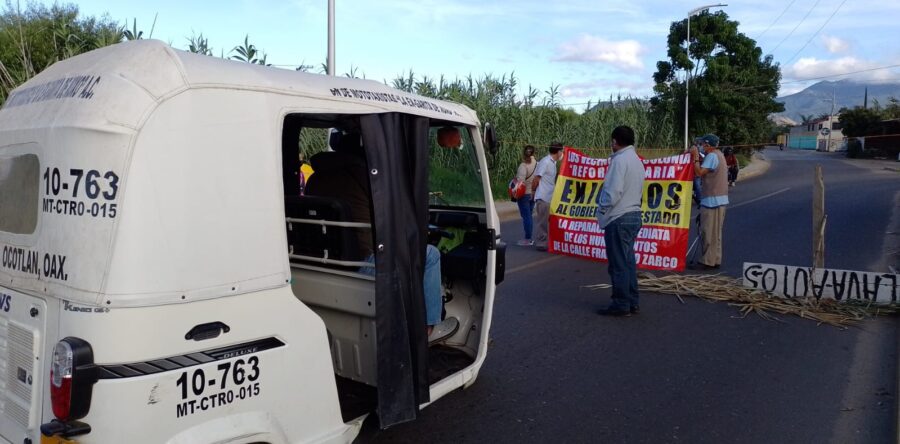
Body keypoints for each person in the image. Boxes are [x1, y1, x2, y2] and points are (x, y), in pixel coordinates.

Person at [306, 130, 459, 343]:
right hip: (362, 263)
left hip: (323, 260)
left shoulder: (315, 178)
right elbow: (395, 218)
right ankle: (429, 329)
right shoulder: (366, 176)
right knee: (430, 254)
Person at [596, 126, 645, 317]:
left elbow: (612, 192)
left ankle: (621, 303)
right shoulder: (636, 160)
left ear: (615, 141)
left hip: (619, 217)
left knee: (618, 264)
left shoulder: (619, 161)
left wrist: (602, 209)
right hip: (633, 215)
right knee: (628, 262)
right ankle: (632, 301)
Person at [689, 134, 729, 270]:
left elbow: (699, 172)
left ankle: (707, 260)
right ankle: (715, 259)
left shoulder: (712, 156)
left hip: (712, 200)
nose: (701, 146)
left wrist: (695, 156)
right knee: (716, 232)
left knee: (708, 231)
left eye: (702, 144)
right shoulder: (719, 155)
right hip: (719, 199)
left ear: (707, 144)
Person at [532, 142, 564, 251]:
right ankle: (541, 243)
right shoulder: (545, 162)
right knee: (542, 222)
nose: (562, 154)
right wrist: (533, 193)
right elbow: (536, 179)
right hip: (543, 197)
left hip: (550, 197)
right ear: (558, 151)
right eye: (562, 151)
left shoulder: (553, 163)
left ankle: (547, 241)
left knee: (548, 221)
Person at [515, 145, 538, 246]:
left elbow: (520, 182)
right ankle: (529, 237)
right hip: (534, 193)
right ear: (534, 153)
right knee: (529, 215)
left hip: (524, 194)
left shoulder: (523, 166)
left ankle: (528, 239)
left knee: (526, 217)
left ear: (524, 153)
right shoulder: (538, 164)